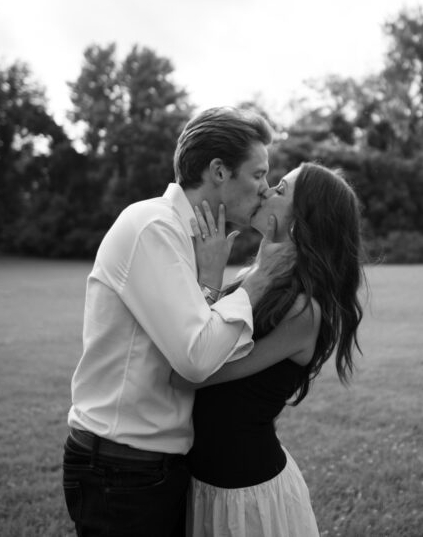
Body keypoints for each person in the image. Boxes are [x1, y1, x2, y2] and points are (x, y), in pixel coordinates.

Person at [62, 107, 296, 537]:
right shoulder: (153, 227)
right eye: (259, 173)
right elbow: (195, 359)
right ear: (220, 171)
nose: (265, 188)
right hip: (122, 469)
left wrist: (210, 281)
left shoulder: (196, 242)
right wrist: (263, 275)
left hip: (158, 466)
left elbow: (196, 336)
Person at [172, 162, 365, 537]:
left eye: (280, 189)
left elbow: (189, 373)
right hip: (207, 482)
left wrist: (210, 278)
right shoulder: (256, 279)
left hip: (245, 497)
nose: (265, 191)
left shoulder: (302, 310)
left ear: (303, 219)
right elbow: (199, 341)